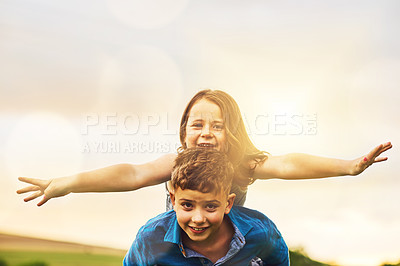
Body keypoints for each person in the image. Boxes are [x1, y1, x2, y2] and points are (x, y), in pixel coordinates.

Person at [17, 89, 392, 208]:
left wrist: (348, 166)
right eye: (198, 124)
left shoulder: (243, 164)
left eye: (218, 126)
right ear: (184, 131)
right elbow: (131, 174)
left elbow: (288, 163)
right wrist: (68, 182)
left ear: (233, 134)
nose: (207, 132)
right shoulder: (176, 162)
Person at [123, 148, 289, 266]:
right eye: (187, 205)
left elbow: (278, 260)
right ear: (173, 200)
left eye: (210, 206)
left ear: (228, 203)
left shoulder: (260, 230)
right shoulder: (151, 237)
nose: (198, 219)